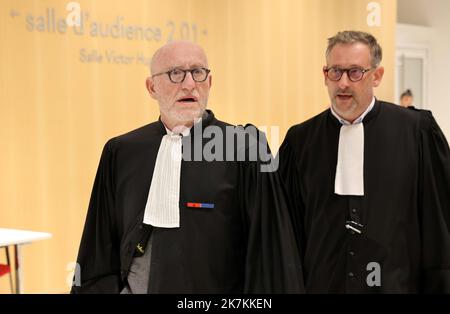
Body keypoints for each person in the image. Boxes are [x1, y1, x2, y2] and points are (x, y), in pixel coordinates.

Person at [71, 40, 304, 294]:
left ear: (210, 83)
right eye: (175, 73)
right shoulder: (122, 151)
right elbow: (99, 248)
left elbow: (271, 253)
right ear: (151, 87)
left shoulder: (245, 148)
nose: (189, 83)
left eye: (198, 72)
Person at [278, 31, 450, 293]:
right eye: (335, 72)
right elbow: (287, 232)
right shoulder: (300, 141)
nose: (343, 83)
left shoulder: (417, 132)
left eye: (355, 72)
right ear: (325, 75)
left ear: (377, 76)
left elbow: (438, 223)